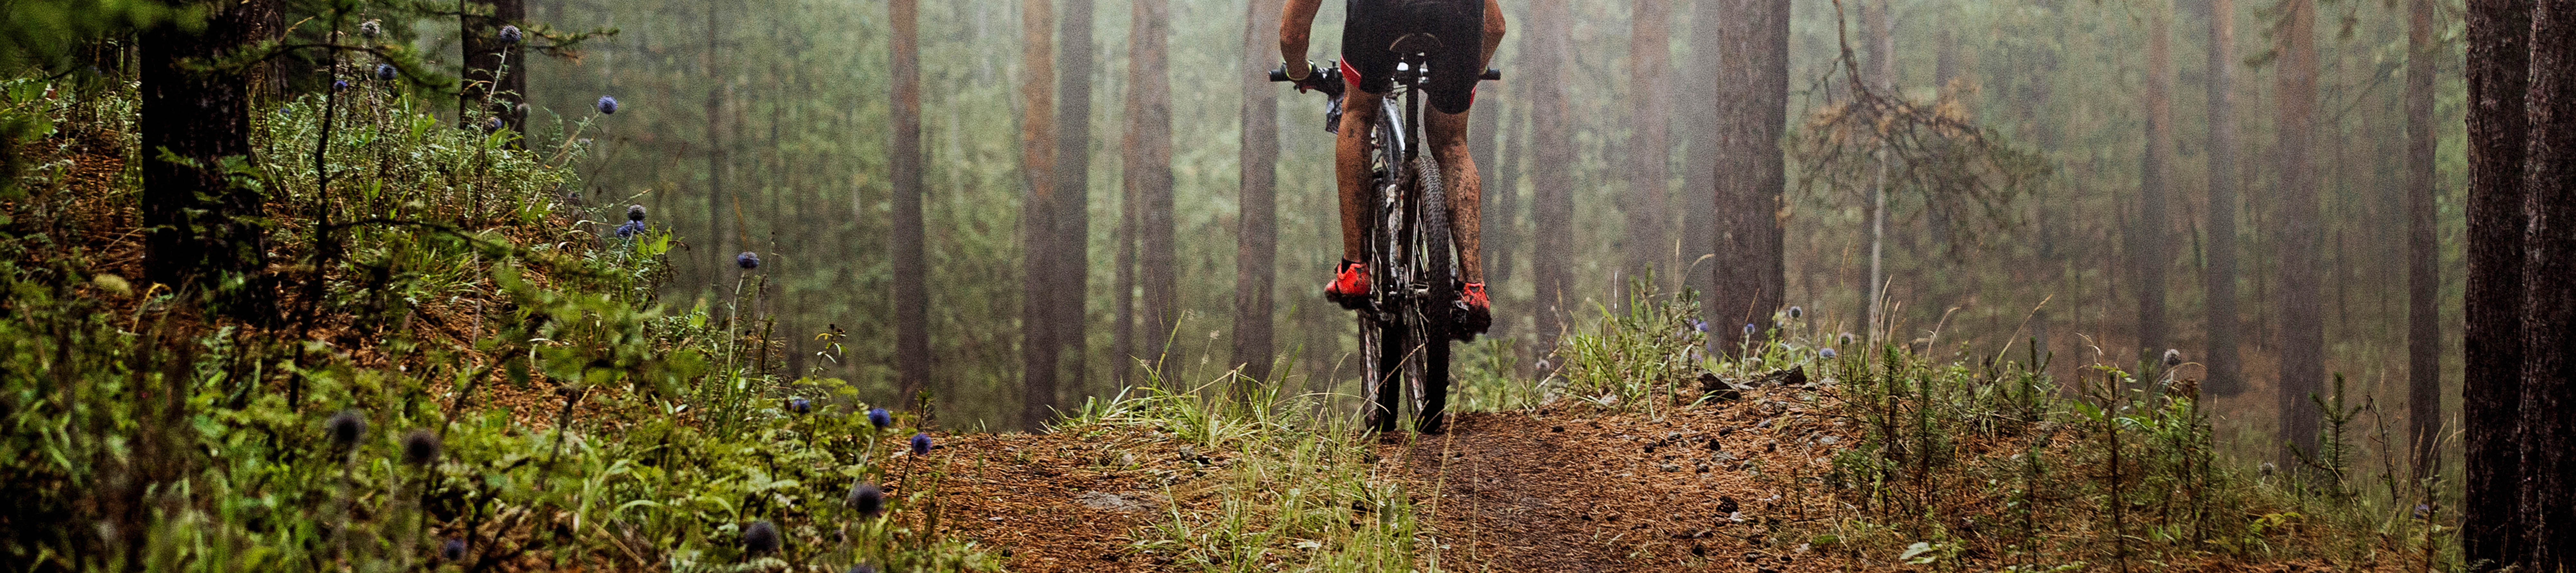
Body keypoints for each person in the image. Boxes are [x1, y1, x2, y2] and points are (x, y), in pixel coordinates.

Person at [1279, 0, 1504, 336]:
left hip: (1381, 12)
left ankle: (1354, 268)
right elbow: (1494, 27)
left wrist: (1299, 71)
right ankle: (1474, 287)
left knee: (1357, 113)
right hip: (1458, 14)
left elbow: (1294, 33)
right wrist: (1475, 65)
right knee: (1453, 143)